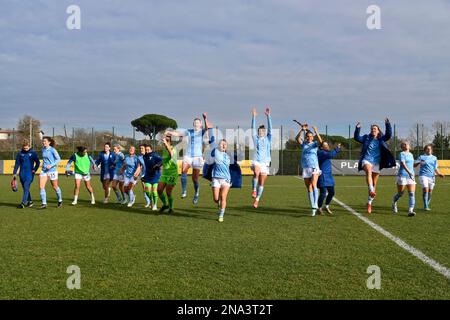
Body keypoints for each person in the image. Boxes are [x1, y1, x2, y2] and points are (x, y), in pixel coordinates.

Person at [354, 119, 396, 214]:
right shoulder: (366, 138)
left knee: (374, 182)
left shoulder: (381, 139)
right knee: (368, 171)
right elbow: (357, 138)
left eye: (375, 129)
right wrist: (357, 128)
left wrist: (388, 124)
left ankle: (369, 203)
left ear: (378, 131)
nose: (373, 130)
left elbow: (388, 135)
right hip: (366, 160)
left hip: (377, 162)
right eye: (372, 129)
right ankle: (371, 190)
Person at [167, 113, 211, 204]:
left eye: (198, 122)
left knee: (195, 179)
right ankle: (184, 191)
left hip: (198, 157)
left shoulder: (202, 131)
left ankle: (196, 193)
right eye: (195, 122)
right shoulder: (189, 131)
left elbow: (207, 128)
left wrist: (205, 118)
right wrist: (170, 132)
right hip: (188, 155)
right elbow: (178, 133)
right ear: (193, 124)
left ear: (200, 124)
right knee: (183, 170)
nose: (196, 123)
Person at [296, 124, 323, 216]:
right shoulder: (304, 144)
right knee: (309, 188)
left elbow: (321, 141)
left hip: (314, 166)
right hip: (305, 167)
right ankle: (313, 208)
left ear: (312, 137)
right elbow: (297, 138)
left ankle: (315, 204)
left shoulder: (314, 144)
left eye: (311, 136)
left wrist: (316, 131)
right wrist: (301, 130)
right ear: (306, 137)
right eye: (308, 136)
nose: (309, 138)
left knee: (314, 184)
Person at [250, 107, 272, 209]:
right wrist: (253, 117)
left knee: (262, 183)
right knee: (256, 173)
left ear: (265, 131)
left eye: (263, 130)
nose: (261, 132)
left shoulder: (268, 138)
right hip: (257, 161)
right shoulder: (256, 138)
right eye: (260, 131)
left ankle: (257, 199)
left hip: (266, 162)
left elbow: (270, 128)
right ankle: (254, 189)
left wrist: (268, 116)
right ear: (258, 132)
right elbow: (252, 129)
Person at [414, 144, 445, 211]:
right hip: (423, 175)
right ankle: (425, 206)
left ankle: (426, 204)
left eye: (430, 149)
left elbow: (435, 168)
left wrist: (439, 174)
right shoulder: (421, 157)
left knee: (430, 192)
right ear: (425, 150)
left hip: (432, 177)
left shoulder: (434, 158)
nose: (429, 150)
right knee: (425, 190)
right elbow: (414, 165)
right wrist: (419, 162)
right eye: (427, 149)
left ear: (432, 150)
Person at [13, 140, 40, 208]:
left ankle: (23, 203)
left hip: (30, 174)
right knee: (25, 188)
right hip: (22, 174)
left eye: (27, 148)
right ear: (22, 147)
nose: (25, 149)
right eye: (24, 148)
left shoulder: (33, 153)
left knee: (26, 186)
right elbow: (17, 164)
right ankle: (30, 202)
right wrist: (14, 173)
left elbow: (38, 162)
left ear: (29, 146)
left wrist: (35, 169)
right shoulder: (20, 154)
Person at [392, 142, 416, 216]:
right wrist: (409, 172)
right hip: (402, 175)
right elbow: (403, 163)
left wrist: (418, 163)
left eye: (406, 144)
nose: (405, 145)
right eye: (403, 144)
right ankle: (394, 202)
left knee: (412, 194)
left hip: (411, 176)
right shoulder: (402, 154)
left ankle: (410, 211)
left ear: (409, 146)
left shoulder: (411, 155)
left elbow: (412, 165)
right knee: (400, 193)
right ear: (402, 147)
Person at [317, 142, 341, 215]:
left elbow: (330, 154)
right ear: (321, 147)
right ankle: (319, 208)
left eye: (327, 145)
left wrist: (336, 149)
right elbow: (331, 154)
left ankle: (326, 206)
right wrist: (337, 148)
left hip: (329, 176)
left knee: (332, 192)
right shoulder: (321, 152)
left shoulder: (326, 152)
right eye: (325, 145)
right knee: (323, 193)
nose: (327, 146)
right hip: (322, 176)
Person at [39, 136, 63, 209]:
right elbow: (45, 159)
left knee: (55, 186)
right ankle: (44, 203)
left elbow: (58, 159)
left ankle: (60, 200)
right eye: (43, 141)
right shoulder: (42, 149)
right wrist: (43, 164)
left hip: (52, 171)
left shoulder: (52, 150)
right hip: (44, 170)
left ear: (49, 142)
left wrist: (51, 165)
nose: (43, 142)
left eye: (45, 141)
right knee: (41, 186)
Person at [158, 132, 179, 213]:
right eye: (165, 139)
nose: (165, 140)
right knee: (159, 190)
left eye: (167, 139)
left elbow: (170, 154)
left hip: (172, 173)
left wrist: (166, 143)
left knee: (168, 192)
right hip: (165, 173)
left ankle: (171, 208)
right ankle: (165, 204)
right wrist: (158, 165)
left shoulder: (173, 149)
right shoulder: (164, 149)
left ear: (170, 141)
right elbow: (164, 160)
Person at [142, 145, 163, 211]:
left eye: (148, 149)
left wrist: (158, 165)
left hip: (156, 176)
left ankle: (155, 205)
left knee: (154, 192)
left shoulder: (155, 155)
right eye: (146, 150)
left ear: (151, 150)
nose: (147, 151)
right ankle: (151, 200)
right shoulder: (144, 156)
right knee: (147, 191)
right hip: (148, 176)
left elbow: (161, 160)